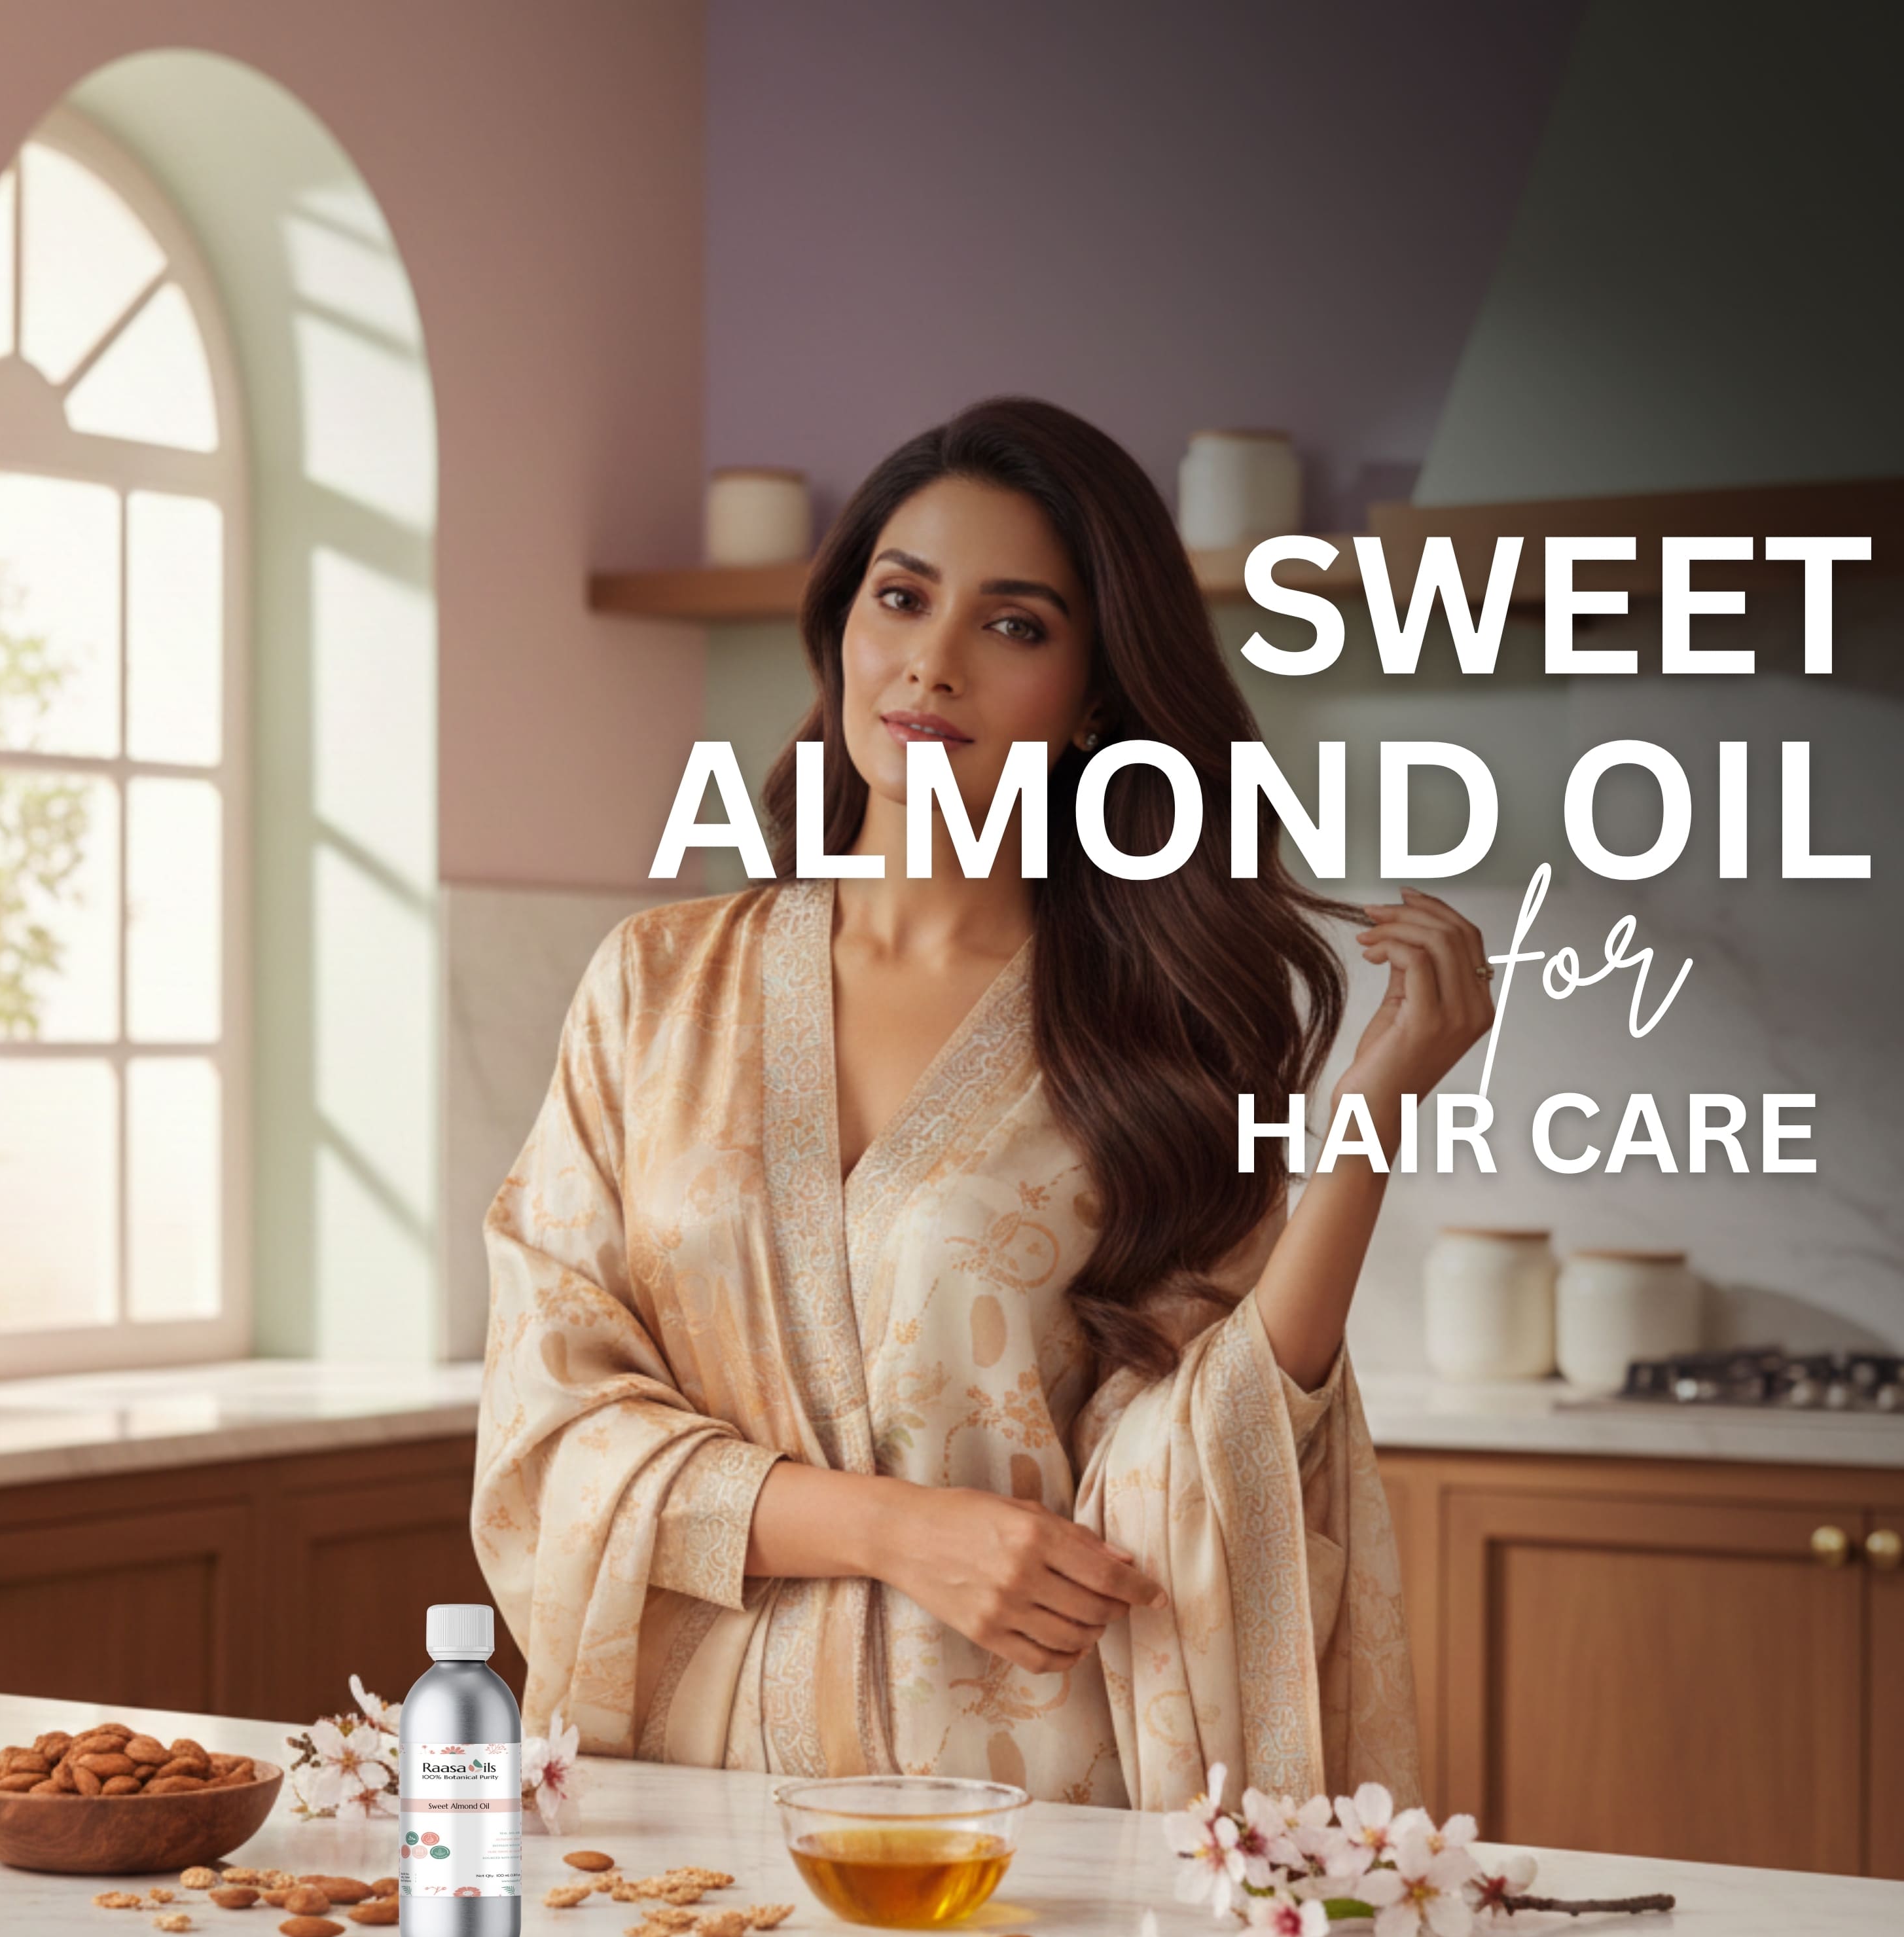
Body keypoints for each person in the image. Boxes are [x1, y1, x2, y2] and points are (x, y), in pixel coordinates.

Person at [472, 398, 1488, 1809]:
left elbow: (1215, 1456)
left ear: (1091, 704)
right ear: (839, 630)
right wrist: (890, 1528)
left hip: (1006, 1814)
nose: (930, 663)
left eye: (1012, 625)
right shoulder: (655, 988)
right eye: (901, 598)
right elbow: (549, 1421)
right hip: (682, 1800)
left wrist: (1374, 1110)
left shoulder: (1153, 1033)